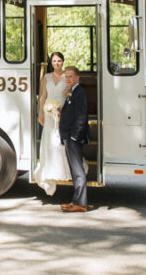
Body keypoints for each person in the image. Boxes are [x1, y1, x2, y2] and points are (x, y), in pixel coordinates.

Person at [33, 51, 71, 195]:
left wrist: (62, 108)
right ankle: (48, 169)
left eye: (59, 61)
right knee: (49, 140)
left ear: (63, 62)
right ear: (51, 63)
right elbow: (43, 96)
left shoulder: (66, 77)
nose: (57, 63)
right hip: (48, 112)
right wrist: (41, 113)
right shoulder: (47, 77)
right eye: (54, 61)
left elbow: (69, 93)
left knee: (59, 140)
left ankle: (62, 169)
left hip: (62, 110)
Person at [60, 65, 90, 212]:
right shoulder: (72, 91)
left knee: (78, 170)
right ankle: (76, 200)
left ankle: (81, 203)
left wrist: (74, 136)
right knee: (74, 170)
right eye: (66, 76)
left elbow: (81, 116)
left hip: (73, 137)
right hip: (68, 135)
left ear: (77, 78)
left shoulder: (80, 93)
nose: (68, 79)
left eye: (71, 76)